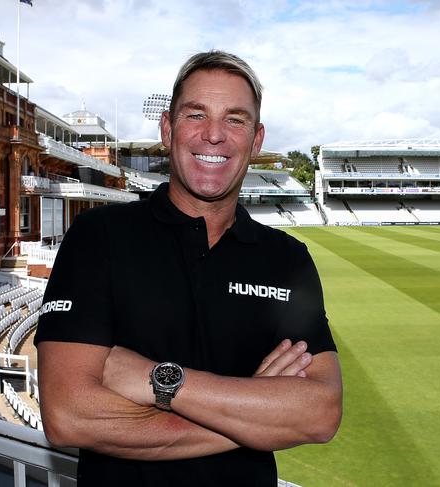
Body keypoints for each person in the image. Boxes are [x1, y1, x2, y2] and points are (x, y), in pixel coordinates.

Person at [34, 50, 342, 487]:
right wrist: (255, 416)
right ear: (167, 128)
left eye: (235, 119)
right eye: (196, 114)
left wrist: (161, 380)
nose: (214, 135)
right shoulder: (98, 236)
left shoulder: (287, 259)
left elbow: (321, 413)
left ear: (256, 140)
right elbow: (69, 416)